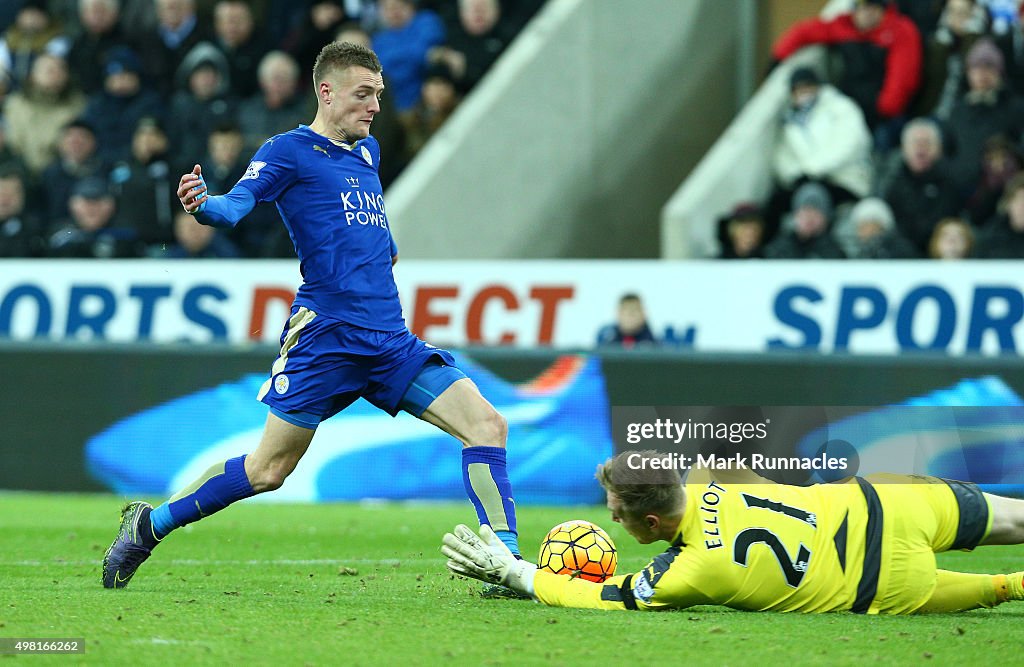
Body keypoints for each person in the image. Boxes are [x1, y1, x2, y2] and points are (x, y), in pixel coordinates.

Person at [101, 41, 521, 590]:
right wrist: (205, 205)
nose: (375, 106)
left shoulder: (367, 154)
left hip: (389, 342)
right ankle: (149, 526)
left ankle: (504, 565)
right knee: (267, 471)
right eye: (363, 94)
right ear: (326, 92)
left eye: (379, 94)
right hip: (327, 339)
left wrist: (376, 252)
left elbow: (376, 239)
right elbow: (236, 205)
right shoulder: (288, 151)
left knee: (488, 424)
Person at [442, 450, 1024, 614]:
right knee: (1017, 519)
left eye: (617, 511)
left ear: (651, 522)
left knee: (1005, 588)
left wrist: (518, 573)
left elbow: (604, 594)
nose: (611, 520)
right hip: (890, 504)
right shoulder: (713, 477)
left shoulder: (692, 569)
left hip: (886, 583)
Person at [771, 0, 922, 134]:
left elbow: (902, 78)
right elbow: (806, 32)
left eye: (873, 8)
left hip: (882, 113)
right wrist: (777, 57)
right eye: (862, 8)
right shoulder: (845, 26)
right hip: (848, 104)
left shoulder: (900, 30)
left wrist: (884, 110)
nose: (867, 13)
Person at [765, 66, 872, 235]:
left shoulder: (842, 108)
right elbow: (781, 158)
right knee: (777, 202)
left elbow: (849, 145)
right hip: (806, 182)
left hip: (845, 180)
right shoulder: (789, 122)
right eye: (798, 89)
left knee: (816, 197)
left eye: (807, 86)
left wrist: (811, 169)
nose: (803, 92)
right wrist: (797, 175)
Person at [878, 117, 962, 253]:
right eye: (916, 143)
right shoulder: (890, 180)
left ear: (939, 150)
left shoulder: (950, 182)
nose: (921, 148)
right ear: (904, 148)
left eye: (927, 143)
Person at [763, 182, 846, 259]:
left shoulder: (835, 251)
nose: (809, 218)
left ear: (826, 218)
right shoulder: (778, 248)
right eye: (805, 211)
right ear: (795, 215)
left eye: (815, 212)